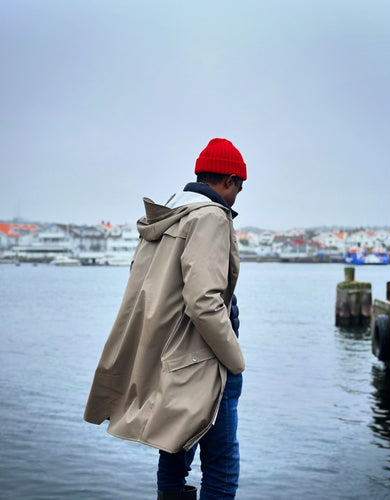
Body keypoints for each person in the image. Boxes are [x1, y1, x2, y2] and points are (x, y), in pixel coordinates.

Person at [84, 138, 247, 500]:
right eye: (240, 186)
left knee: (174, 447)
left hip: (168, 355)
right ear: (230, 181)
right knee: (221, 465)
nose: (238, 195)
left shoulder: (168, 214)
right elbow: (204, 301)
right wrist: (235, 361)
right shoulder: (211, 217)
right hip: (204, 358)